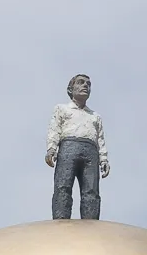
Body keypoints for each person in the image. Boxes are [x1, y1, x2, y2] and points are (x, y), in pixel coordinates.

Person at [45, 74, 110, 220]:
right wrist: (52, 148)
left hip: (91, 151)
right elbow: (54, 129)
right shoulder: (62, 109)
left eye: (88, 83)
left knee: (91, 190)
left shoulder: (94, 116)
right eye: (81, 83)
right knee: (63, 186)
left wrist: (104, 159)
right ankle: (61, 221)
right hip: (69, 147)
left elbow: (100, 138)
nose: (85, 86)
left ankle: (90, 223)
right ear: (71, 88)